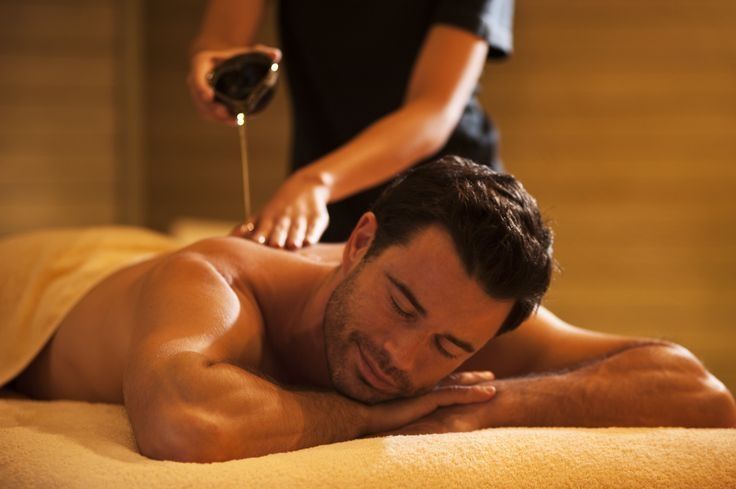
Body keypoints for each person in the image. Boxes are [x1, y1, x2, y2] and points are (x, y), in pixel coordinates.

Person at [6, 157, 735, 463]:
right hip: (49, 277)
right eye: (401, 305)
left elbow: (698, 391)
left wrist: (486, 406)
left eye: (449, 347)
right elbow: (184, 422)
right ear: (358, 242)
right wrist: (369, 415)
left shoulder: (461, 312)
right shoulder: (215, 280)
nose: (402, 357)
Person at [188, 0, 515, 248]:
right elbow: (221, 42)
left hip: (447, 201)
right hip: (325, 203)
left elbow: (433, 110)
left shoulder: (316, 184)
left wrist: (317, 181)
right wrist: (212, 66)